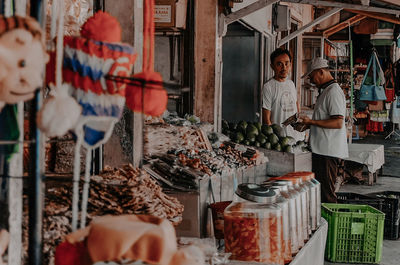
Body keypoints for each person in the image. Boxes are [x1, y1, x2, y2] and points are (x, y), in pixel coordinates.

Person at [298, 57, 348, 203]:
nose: (311, 80)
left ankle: (331, 225)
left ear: (320, 72)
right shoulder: (326, 90)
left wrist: (312, 121)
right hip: (321, 151)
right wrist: (309, 125)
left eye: (312, 76)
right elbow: (326, 119)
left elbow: (338, 122)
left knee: (327, 196)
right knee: (321, 194)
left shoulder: (333, 92)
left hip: (328, 152)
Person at [262, 48, 303, 140]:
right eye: (279, 64)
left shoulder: (291, 84)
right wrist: (274, 140)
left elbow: (296, 106)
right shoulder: (268, 87)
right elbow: (266, 119)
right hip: (280, 139)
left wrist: (301, 130)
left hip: (296, 136)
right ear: (272, 66)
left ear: (290, 65)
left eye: (286, 63)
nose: (284, 67)